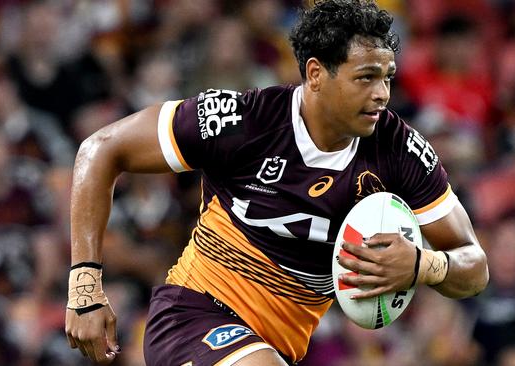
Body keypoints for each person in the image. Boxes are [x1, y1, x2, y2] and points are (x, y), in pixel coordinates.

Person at [65, 1, 489, 365]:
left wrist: (423, 265)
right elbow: (99, 150)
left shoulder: (400, 150)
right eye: (366, 77)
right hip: (193, 314)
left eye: (388, 77)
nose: (382, 93)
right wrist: (85, 287)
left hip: (276, 348)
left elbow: (475, 265)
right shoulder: (242, 121)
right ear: (317, 73)